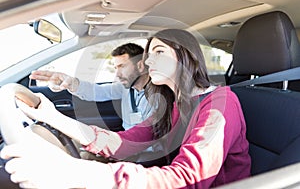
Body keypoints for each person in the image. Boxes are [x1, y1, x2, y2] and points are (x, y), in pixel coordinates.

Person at [1, 29, 251, 188]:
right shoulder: (171, 105)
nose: (148, 60)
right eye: (148, 53)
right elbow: (125, 142)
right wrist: (52, 117)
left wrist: (79, 173)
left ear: (188, 57)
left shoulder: (220, 103)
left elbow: (187, 179)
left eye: (159, 51)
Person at [30, 43, 152, 130]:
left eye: (122, 67)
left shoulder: (160, 94)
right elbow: (97, 92)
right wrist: (72, 83)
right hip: (128, 144)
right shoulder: (124, 88)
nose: (117, 74)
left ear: (141, 66)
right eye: (116, 68)